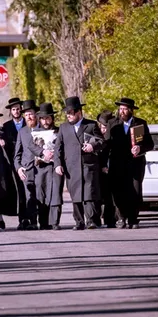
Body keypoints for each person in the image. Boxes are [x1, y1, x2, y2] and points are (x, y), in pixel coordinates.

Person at [54, 96, 104, 230]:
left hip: (88, 165)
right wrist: (57, 164)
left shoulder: (91, 125)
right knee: (75, 195)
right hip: (71, 167)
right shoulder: (63, 127)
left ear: (79, 112)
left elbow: (101, 141)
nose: (68, 116)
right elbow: (58, 148)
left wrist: (93, 146)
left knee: (89, 193)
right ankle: (79, 221)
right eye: (67, 113)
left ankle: (91, 220)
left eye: (71, 113)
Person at [109, 98, 154, 228]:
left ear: (131, 110)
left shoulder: (140, 124)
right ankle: (121, 218)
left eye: (124, 109)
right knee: (118, 191)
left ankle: (133, 219)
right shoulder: (113, 123)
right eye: (120, 109)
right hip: (117, 164)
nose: (122, 112)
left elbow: (150, 144)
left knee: (135, 192)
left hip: (135, 164)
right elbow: (107, 143)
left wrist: (140, 148)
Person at [13, 100, 45, 230]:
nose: (29, 117)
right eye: (26, 115)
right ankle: (32, 222)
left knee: (41, 196)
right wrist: (18, 168)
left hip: (42, 168)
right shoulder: (22, 132)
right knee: (29, 197)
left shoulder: (43, 129)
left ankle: (44, 222)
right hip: (27, 169)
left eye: (31, 114)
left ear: (36, 114)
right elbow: (17, 154)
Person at [34, 102, 64, 230]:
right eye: (43, 119)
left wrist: (55, 155)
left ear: (52, 118)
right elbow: (31, 148)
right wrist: (42, 153)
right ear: (39, 119)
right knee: (41, 193)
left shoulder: (59, 131)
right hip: (40, 167)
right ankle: (43, 222)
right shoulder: (35, 133)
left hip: (56, 166)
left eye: (48, 118)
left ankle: (55, 222)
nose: (45, 121)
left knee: (56, 193)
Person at [2, 97, 27, 221]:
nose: (16, 111)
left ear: (21, 109)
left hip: (28, 160)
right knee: (19, 191)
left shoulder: (28, 122)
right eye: (13, 109)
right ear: (10, 111)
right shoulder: (6, 126)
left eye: (18, 109)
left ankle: (32, 218)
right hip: (14, 163)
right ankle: (22, 219)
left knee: (30, 189)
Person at [97, 110, 118, 228]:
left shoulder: (114, 136)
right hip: (99, 170)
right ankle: (97, 218)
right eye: (102, 127)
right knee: (99, 196)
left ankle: (110, 219)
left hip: (112, 169)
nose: (103, 129)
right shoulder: (97, 136)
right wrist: (102, 165)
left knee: (110, 197)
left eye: (106, 127)